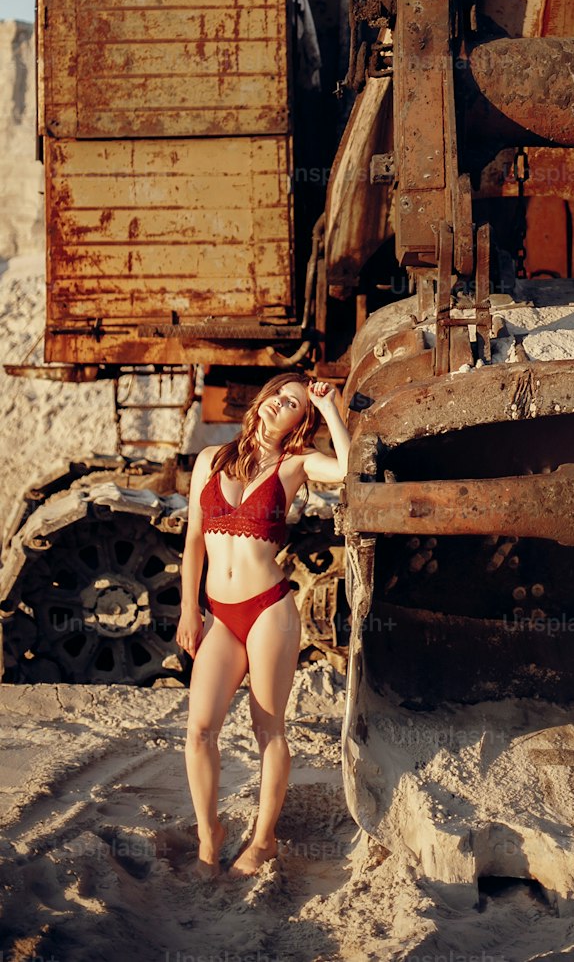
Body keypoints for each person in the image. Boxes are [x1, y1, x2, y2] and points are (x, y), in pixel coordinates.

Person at [176, 371, 350, 875]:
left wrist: (331, 406)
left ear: (300, 421)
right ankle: (211, 835)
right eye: (279, 394)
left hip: (268, 610)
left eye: (294, 403)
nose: (281, 403)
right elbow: (192, 544)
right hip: (219, 616)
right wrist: (190, 609)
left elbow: (344, 468)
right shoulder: (210, 460)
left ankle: (264, 839)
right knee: (200, 730)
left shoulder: (294, 464)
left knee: (268, 730)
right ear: (263, 399)